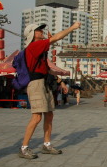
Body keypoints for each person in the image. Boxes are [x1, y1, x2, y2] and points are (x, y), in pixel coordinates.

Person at [19, 21, 81, 159]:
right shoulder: (34, 45)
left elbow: (47, 70)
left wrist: (61, 82)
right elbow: (55, 38)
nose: (41, 32)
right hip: (35, 84)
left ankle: (46, 145)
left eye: (41, 30)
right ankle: (24, 147)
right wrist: (72, 27)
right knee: (37, 117)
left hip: (43, 82)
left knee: (49, 115)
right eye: (38, 30)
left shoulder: (40, 49)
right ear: (32, 34)